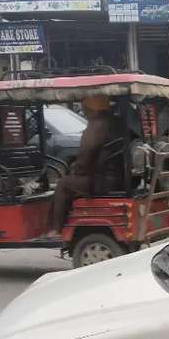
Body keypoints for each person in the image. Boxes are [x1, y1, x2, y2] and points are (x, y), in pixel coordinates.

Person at [45, 96, 118, 239]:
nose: (84, 112)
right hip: (113, 176)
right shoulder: (114, 123)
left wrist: (76, 169)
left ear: (91, 109)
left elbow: (86, 155)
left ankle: (56, 228)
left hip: (102, 181)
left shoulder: (96, 126)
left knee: (63, 184)